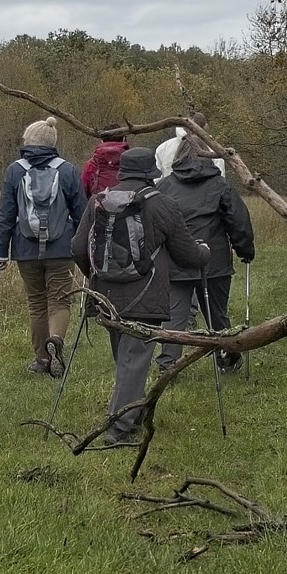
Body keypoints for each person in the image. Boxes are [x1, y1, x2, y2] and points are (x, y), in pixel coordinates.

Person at [69, 141, 209, 447]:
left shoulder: (98, 201)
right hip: (146, 295)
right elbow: (186, 255)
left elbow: (78, 248)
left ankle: (130, 415)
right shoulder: (162, 204)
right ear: (151, 173)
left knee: (126, 358)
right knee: (133, 361)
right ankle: (118, 429)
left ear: (122, 171)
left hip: (105, 294)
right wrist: (204, 252)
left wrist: (95, 274)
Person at [157, 139, 258, 378]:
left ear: (178, 156)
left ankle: (168, 366)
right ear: (208, 157)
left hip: (176, 261)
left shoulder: (164, 187)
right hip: (214, 261)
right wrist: (245, 250)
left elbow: (155, 222)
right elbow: (238, 221)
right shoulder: (220, 186)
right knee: (217, 315)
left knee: (174, 317)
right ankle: (227, 359)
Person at [0, 116, 85, 378]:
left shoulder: (15, 171)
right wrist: (83, 248)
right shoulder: (67, 170)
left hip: (26, 249)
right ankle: (56, 341)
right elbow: (81, 213)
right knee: (60, 300)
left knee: (36, 303)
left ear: (28, 141)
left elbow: (5, 216)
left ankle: (42, 360)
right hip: (61, 249)